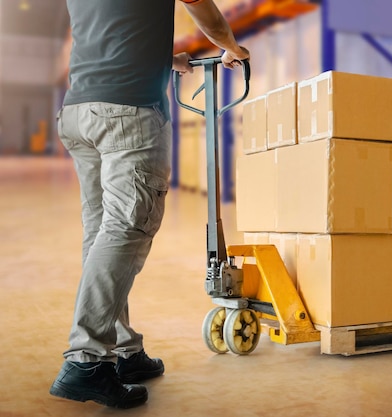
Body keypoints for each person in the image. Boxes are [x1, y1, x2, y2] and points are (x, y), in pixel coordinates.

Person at [50, 0, 249, 409]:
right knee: (125, 230)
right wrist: (232, 47)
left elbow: (112, 26)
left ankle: (122, 350)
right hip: (128, 112)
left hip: (80, 111)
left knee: (104, 232)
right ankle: (87, 359)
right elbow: (207, 14)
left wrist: (164, 60)